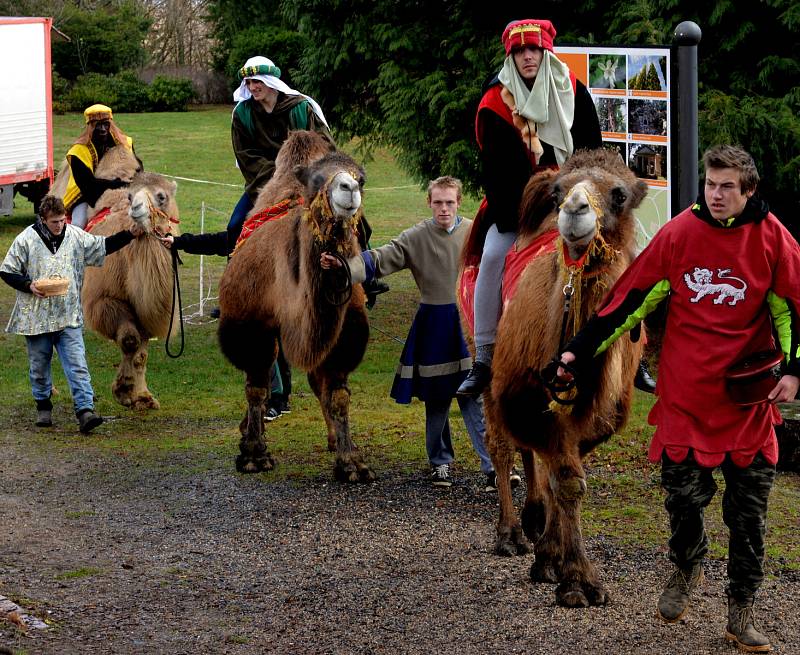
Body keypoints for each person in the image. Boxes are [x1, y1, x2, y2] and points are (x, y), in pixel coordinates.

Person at [558, 145, 800, 653]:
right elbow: (629, 298)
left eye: (727, 186)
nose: (715, 194)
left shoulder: (774, 241)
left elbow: (793, 311)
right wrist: (577, 352)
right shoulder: (679, 235)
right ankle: (687, 566)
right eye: (711, 184)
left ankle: (741, 613)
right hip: (686, 402)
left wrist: (795, 371)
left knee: (748, 518)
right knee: (684, 504)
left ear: (748, 190)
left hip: (746, 407)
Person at [321, 177, 520, 491]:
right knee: (437, 399)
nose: (444, 209)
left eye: (450, 202)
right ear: (430, 203)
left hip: (470, 324)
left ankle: (495, 466)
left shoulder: (475, 233)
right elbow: (381, 258)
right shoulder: (416, 237)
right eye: (438, 202)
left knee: (476, 400)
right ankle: (440, 463)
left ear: (458, 202)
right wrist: (344, 267)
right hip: (433, 325)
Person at [456, 19, 604, 397]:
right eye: (519, 51)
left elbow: (593, 153)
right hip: (518, 205)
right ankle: (485, 355)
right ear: (511, 56)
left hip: (576, 195)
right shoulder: (495, 104)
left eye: (534, 50)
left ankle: (632, 352)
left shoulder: (574, 92)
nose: (527, 57)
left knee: (617, 253)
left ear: (546, 52)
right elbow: (497, 173)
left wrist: (579, 195)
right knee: (492, 257)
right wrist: (525, 214)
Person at [227, 55, 387, 306]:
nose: (252, 87)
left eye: (257, 81)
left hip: (309, 180)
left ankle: (367, 278)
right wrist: (279, 176)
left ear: (271, 81)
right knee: (236, 225)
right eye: (248, 82)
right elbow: (246, 155)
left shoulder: (301, 108)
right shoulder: (243, 114)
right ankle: (237, 290)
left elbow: (325, 146)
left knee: (357, 222)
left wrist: (305, 175)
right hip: (265, 182)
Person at [0, 195, 145, 433]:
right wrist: (29, 286)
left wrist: (129, 234)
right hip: (36, 318)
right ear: (43, 220)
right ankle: (43, 406)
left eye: (61, 220)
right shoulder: (26, 239)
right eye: (54, 222)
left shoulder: (74, 236)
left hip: (68, 315)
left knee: (77, 364)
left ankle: (85, 411)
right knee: (39, 365)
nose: (59, 225)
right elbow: (7, 271)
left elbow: (103, 246)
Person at [159, 230, 290, 419]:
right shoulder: (244, 234)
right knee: (265, 348)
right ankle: (279, 399)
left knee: (269, 347)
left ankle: (278, 399)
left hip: (275, 303)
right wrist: (178, 242)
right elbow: (218, 241)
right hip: (253, 304)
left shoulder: (273, 236)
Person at [62, 104, 138, 229]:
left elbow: (137, 168)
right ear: (90, 126)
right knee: (78, 225)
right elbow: (88, 186)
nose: (103, 129)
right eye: (98, 125)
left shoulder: (124, 143)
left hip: (124, 189)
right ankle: (72, 245)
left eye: (105, 124)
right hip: (85, 195)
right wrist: (116, 184)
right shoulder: (77, 152)